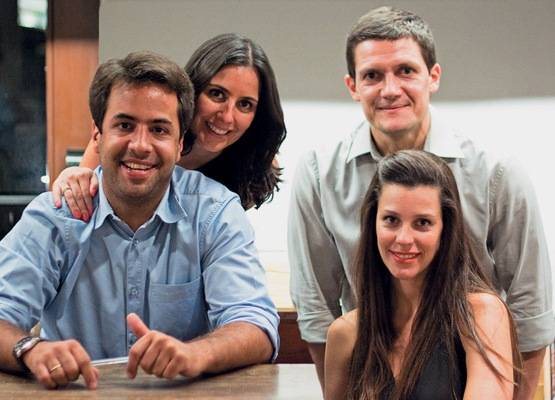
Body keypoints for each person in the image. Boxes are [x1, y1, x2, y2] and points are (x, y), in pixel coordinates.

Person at [288, 6, 553, 399]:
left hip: (472, 360)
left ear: (434, 76)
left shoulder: (497, 171)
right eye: (373, 75)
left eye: (406, 71)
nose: (390, 89)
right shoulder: (317, 174)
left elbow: (531, 312)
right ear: (352, 85)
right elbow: (315, 309)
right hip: (374, 358)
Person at [0, 51, 279, 390]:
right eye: (124, 125)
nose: (140, 145)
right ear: (98, 134)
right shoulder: (57, 214)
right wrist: (29, 348)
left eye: (159, 129)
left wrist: (195, 354)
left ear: (180, 145)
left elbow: (256, 324)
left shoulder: (215, 213)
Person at [324, 150, 519, 400]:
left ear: (445, 229)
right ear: (373, 222)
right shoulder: (345, 334)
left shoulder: (482, 314)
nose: (404, 239)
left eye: (423, 223)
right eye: (391, 220)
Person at [53, 33, 286, 218]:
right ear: (193, 90)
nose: (226, 117)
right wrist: (72, 177)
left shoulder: (257, 167)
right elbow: (82, 185)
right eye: (216, 94)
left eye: (245, 104)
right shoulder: (129, 139)